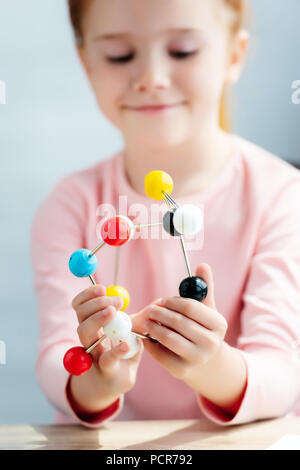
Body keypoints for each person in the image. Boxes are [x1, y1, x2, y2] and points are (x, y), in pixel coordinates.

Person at [30, 0, 300, 428]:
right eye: (119, 55)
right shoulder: (70, 203)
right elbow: (55, 358)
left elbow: (283, 375)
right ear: (86, 63)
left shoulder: (282, 195)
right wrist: (100, 380)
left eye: (182, 51)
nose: (152, 79)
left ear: (234, 55)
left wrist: (209, 365)